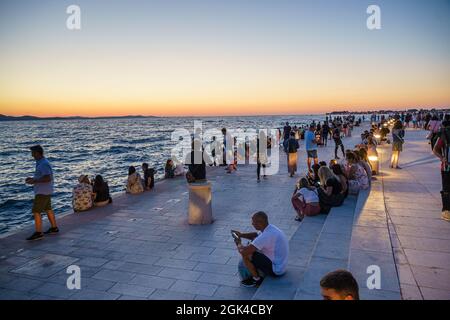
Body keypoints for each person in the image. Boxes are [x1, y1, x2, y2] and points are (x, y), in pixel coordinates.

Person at [232, 212, 289, 287]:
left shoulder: (266, 236)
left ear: (260, 223)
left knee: (247, 254)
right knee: (253, 247)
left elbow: (243, 252)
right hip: (281, 265)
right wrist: (241, 235)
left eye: (253, 222)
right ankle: (259, 272)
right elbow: (255, 235)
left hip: (276, 270)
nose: (252, 224)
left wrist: (238, 243)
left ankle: (256, 279)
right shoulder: (270, 228)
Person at [25, 145, 59, 241]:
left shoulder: (43, 163)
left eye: (33, 153)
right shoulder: (41, 162)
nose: (32, 155)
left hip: (42, 192)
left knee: (36, 211)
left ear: (38, 153)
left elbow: (47, 178)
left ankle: (39, 233)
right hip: (46, 190)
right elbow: (43, 176)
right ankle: (54, 228)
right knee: (48, 209)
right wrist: (33, 179)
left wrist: (34, 181)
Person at [433, 120, 450, 222]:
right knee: (447, 189)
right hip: (446, 167)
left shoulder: (443, 134)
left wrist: (442, 158)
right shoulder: (444, 135)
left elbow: (435, 149)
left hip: (446, 167)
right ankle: (446, 211)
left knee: (447, 189)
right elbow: (435, 149)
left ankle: (446, 211)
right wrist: (443, 158)